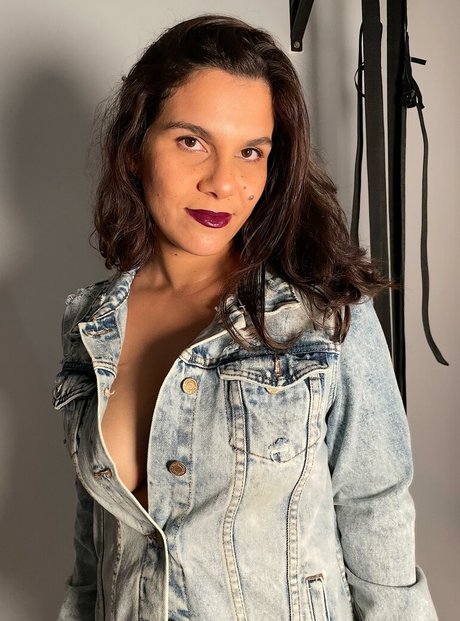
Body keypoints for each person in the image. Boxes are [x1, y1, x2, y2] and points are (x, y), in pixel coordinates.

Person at [52, 14, 438, 621]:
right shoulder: (90, 323)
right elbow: (93, 556)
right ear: (135, 149)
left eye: (251, 151)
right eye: (192, 141)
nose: (224, 183)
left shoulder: (324, 315)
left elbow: (376, 516)